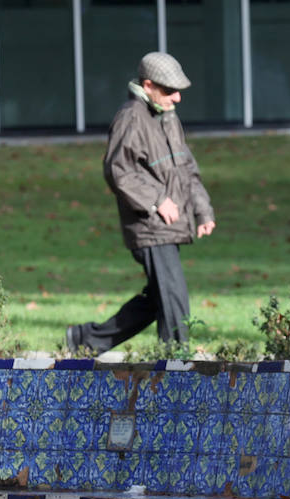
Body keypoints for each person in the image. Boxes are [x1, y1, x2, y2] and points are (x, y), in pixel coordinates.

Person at [65, 51, 216, 355]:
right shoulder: (131, 117)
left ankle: (86, 340)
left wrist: (202, 209)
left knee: (159, 298)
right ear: (148, 85)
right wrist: (158, 201)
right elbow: (118, 171)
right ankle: (176, 364)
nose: (177, 98)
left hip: (169, 225)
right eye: (169, 90)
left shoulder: (168, 118)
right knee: (174, 299)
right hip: (149, 225)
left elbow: (187, 168)